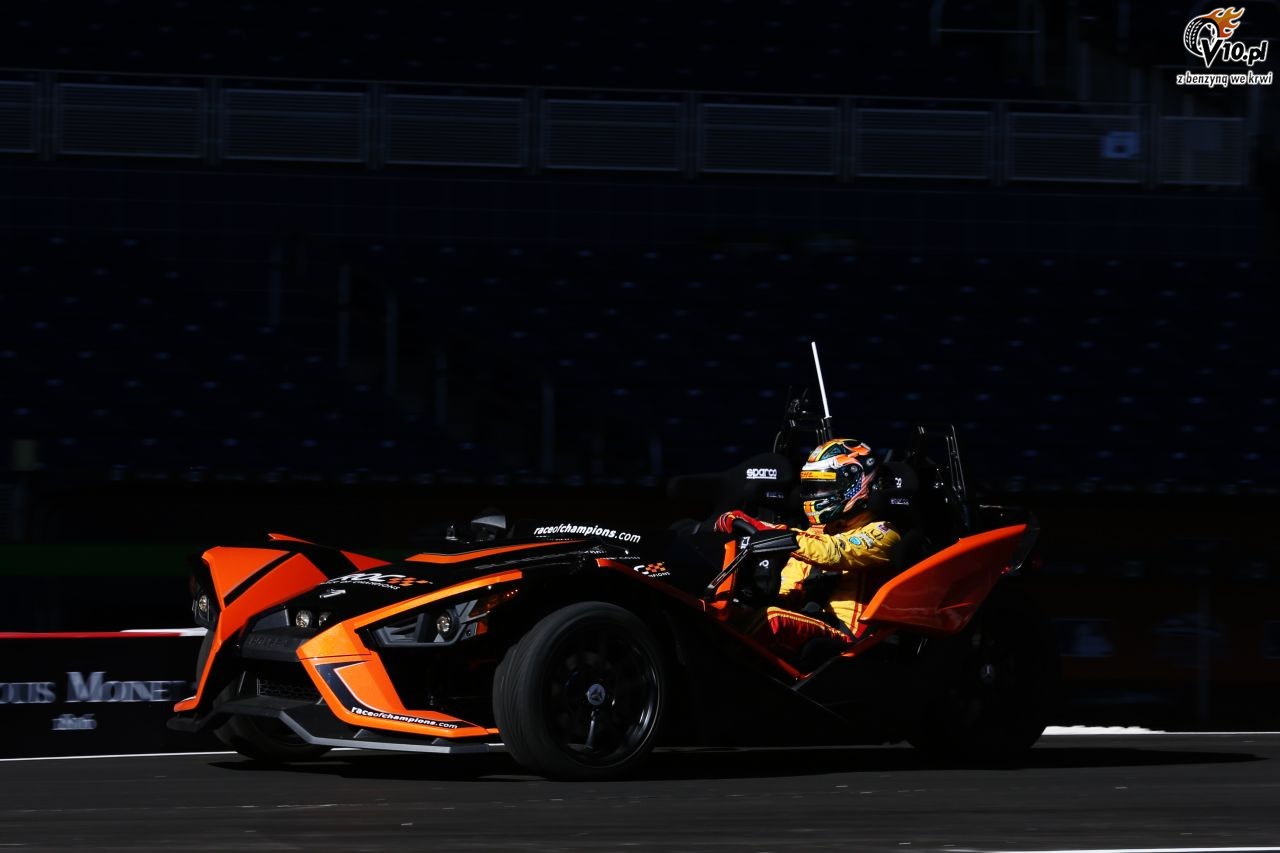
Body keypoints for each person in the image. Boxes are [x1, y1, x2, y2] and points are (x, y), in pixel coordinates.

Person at [715, 438, 901, 659]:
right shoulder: (815, 533)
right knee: (728, 616)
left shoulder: (884, 532)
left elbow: (834, 552)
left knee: (772, 620)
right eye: (813, 486)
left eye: (825, 486)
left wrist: (769, 531)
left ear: (855, 483)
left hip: (851, 640)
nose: (816, 493)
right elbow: (791, 586)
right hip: (812, 622)